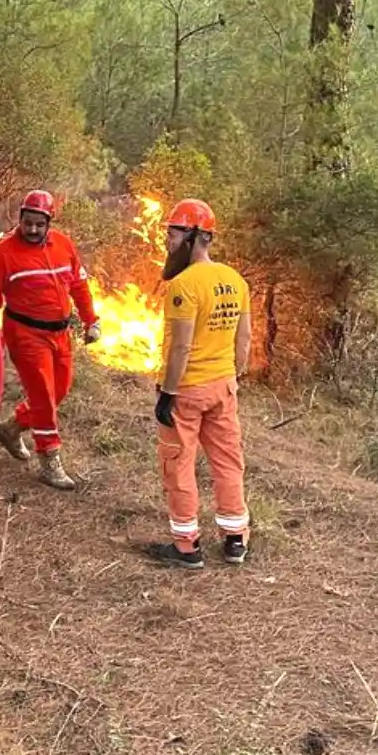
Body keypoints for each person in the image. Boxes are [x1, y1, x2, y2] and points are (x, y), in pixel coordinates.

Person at [148, 198, 252, 571]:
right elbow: (245, 341)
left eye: (174, 233)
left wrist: (168, 395)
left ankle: (186, 546)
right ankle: (235, 539)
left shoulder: (184, 285)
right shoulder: (235, 281)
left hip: (187, 391)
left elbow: (181, 346)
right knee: (227, 462)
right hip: (223, 387)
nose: (168, 241)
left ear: (195, 236)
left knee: (178, 464)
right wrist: (233, 376)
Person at [0, 190, 101, 491]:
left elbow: (79, 285)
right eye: (27, 223)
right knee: (43, 396)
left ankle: (12, 428)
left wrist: (91, 320)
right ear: (19, 219)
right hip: (25, 333)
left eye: (39, 224)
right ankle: (49, 458)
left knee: (60, 388)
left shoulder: (64, 246)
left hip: (60, 333)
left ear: (49, 222)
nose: (32, 229)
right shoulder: (3, 253)